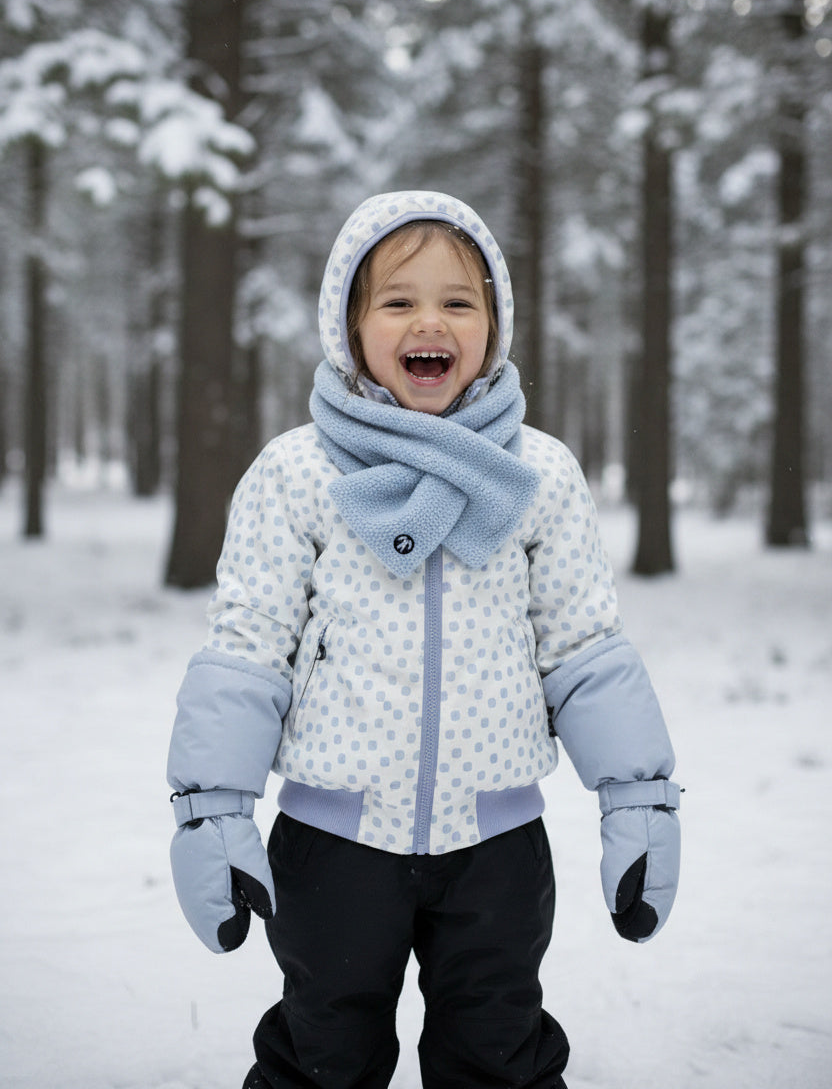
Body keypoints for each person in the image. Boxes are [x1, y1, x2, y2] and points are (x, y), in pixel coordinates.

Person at [167, 189, 681, 1089]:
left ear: (493, 323)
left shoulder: (537, 471)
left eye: (458, 300)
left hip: (497, 847)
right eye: (398, 301)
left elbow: (583, 648)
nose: (429, 321)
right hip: (333, 841)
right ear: (351, 326)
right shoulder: (298, 471)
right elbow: (247, 648)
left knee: (499, 1055)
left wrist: (637, 797)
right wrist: (213, 807)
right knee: (323, 1054)